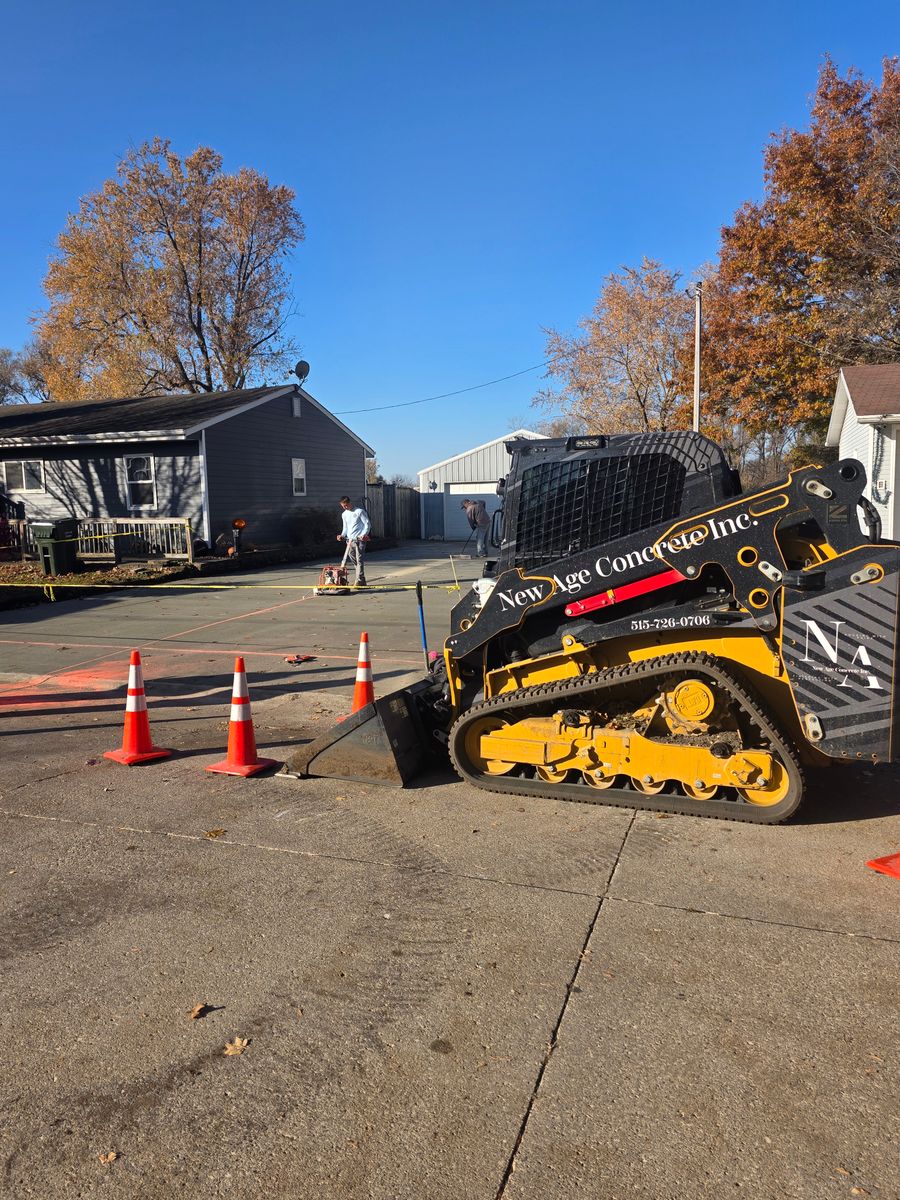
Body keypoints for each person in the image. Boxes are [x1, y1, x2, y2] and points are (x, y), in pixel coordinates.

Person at [337, 495, 371, 587]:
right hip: (349, 541)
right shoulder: (344, 514)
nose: (345, 507)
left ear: (349, 503)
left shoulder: (359, 511)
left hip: (359, 540)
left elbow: (367, 524)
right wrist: (342, 535)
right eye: (343, 506)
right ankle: (362, 579)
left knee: (359, 559)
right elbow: (345, 528)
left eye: (346, 505)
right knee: (354, 560)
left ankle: (358, 580)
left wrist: (364, 534)